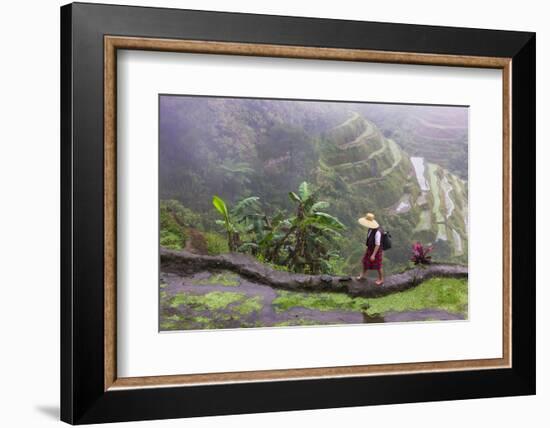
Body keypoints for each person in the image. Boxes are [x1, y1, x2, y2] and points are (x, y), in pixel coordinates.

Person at [356, 212, 384, 285]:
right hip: (370, 248)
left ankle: (381, 279)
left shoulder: (377, 232)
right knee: (365, 261)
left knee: (378, 265)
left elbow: (377, 244)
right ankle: (362, 275)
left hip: (376, 250)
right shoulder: (370, 229)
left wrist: (373, 255)